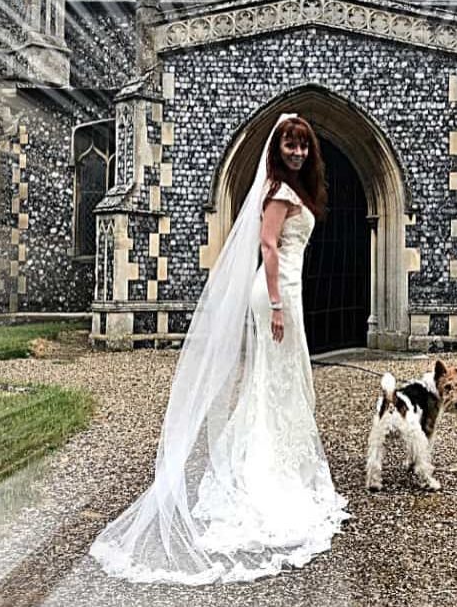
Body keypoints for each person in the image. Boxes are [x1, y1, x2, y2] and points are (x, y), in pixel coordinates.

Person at [90, 113, 349, 584]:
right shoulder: (279, 192)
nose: (297, 152)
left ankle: (278, 460)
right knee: (275, 378)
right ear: (278, 148)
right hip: (275, 294)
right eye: (290, 145)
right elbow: (268, 247)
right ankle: (265, 471)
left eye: (303, 147)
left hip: (285, 292)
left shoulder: (293, 190)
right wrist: (274, 304)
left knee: (277, 379)